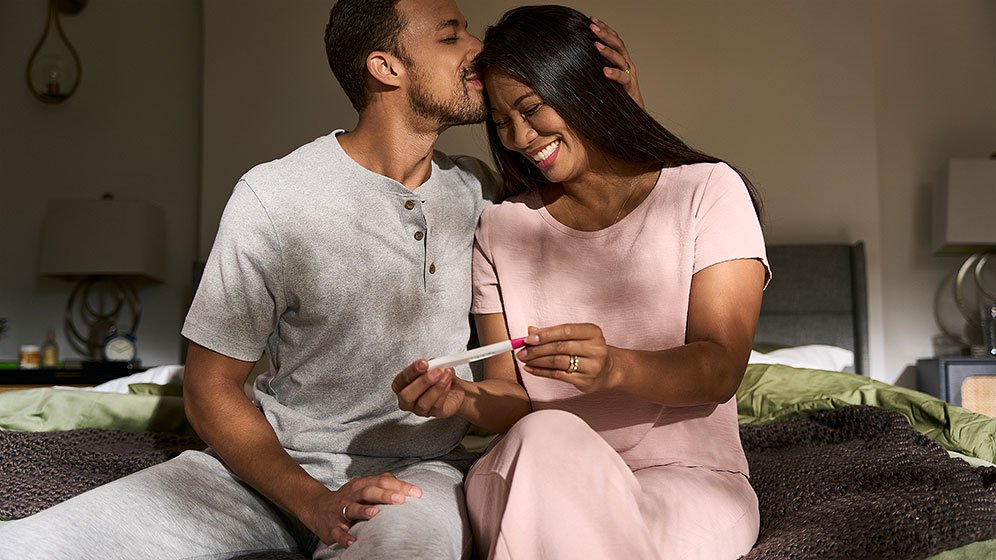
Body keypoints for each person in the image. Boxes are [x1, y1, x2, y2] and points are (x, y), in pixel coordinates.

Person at [0, 1, 643, 559]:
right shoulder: (275, 196)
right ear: (385, 66)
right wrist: (312, 502)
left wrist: (616, 101)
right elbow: (209, 389)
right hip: (261, 472)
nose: (478, 50)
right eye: (451, 35)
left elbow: (606, 218)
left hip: (418, 477)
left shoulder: (482, 188)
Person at [392, 5, 768, 559]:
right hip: (535, 468)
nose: (519, 137)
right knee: (546, 434)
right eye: (501, 122)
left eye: (532, 108)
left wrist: (615, 366)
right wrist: (465, 399)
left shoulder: (708, 192)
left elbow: (719, 369)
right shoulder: (499, 228)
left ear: (579, 87)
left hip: (684, 480)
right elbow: (514, 401)